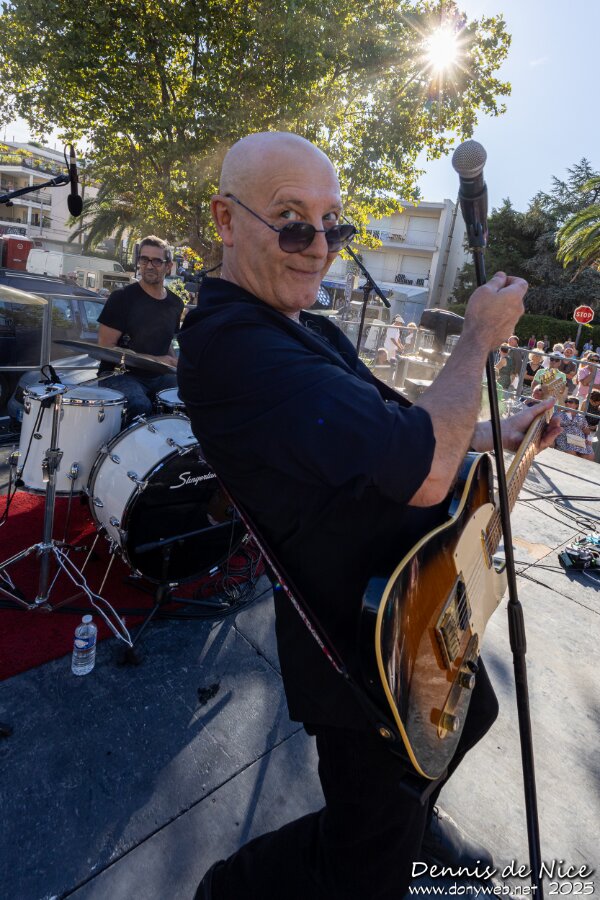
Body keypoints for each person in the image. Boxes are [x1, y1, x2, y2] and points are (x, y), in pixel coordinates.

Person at [177, 132, 560, 900]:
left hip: (414, 593)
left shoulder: (304, 326)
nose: (319, 247)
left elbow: (400, 425)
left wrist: (493, 431)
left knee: (471, 713)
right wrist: (478, 339)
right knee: (362, 853)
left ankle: (414, 825)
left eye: (333, 225)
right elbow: (420, 468)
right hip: (358, 639)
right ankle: (230, 888)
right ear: (225, 219)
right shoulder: (231, 346)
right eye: (293, 222)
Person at [97, 235, 183, 421]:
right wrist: (158, 360)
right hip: (119, 375)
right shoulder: (121, 298)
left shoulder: (176, 303)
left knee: (191, 397)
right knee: (139, 405)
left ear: (168, 266)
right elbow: (106, 348)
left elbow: (166, 341)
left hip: (158, 376)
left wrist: (173, 363)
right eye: (144, 259)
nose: (149, 266)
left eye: (157, 261)